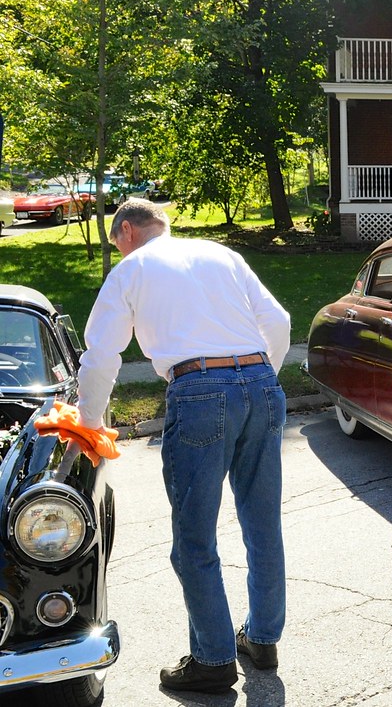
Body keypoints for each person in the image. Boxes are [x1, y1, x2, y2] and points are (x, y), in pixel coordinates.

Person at [76, 199, 290, 693]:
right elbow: (277, 323)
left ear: (126, 230)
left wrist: (88, 425)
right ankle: (262, 638)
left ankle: (213, 660)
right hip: (261, 381)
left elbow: (102, 354)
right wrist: (257, 383)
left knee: (194, 537)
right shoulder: (221, 254)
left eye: (116, 241)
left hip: (198, 390)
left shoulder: (132, 268)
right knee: (262, 522)